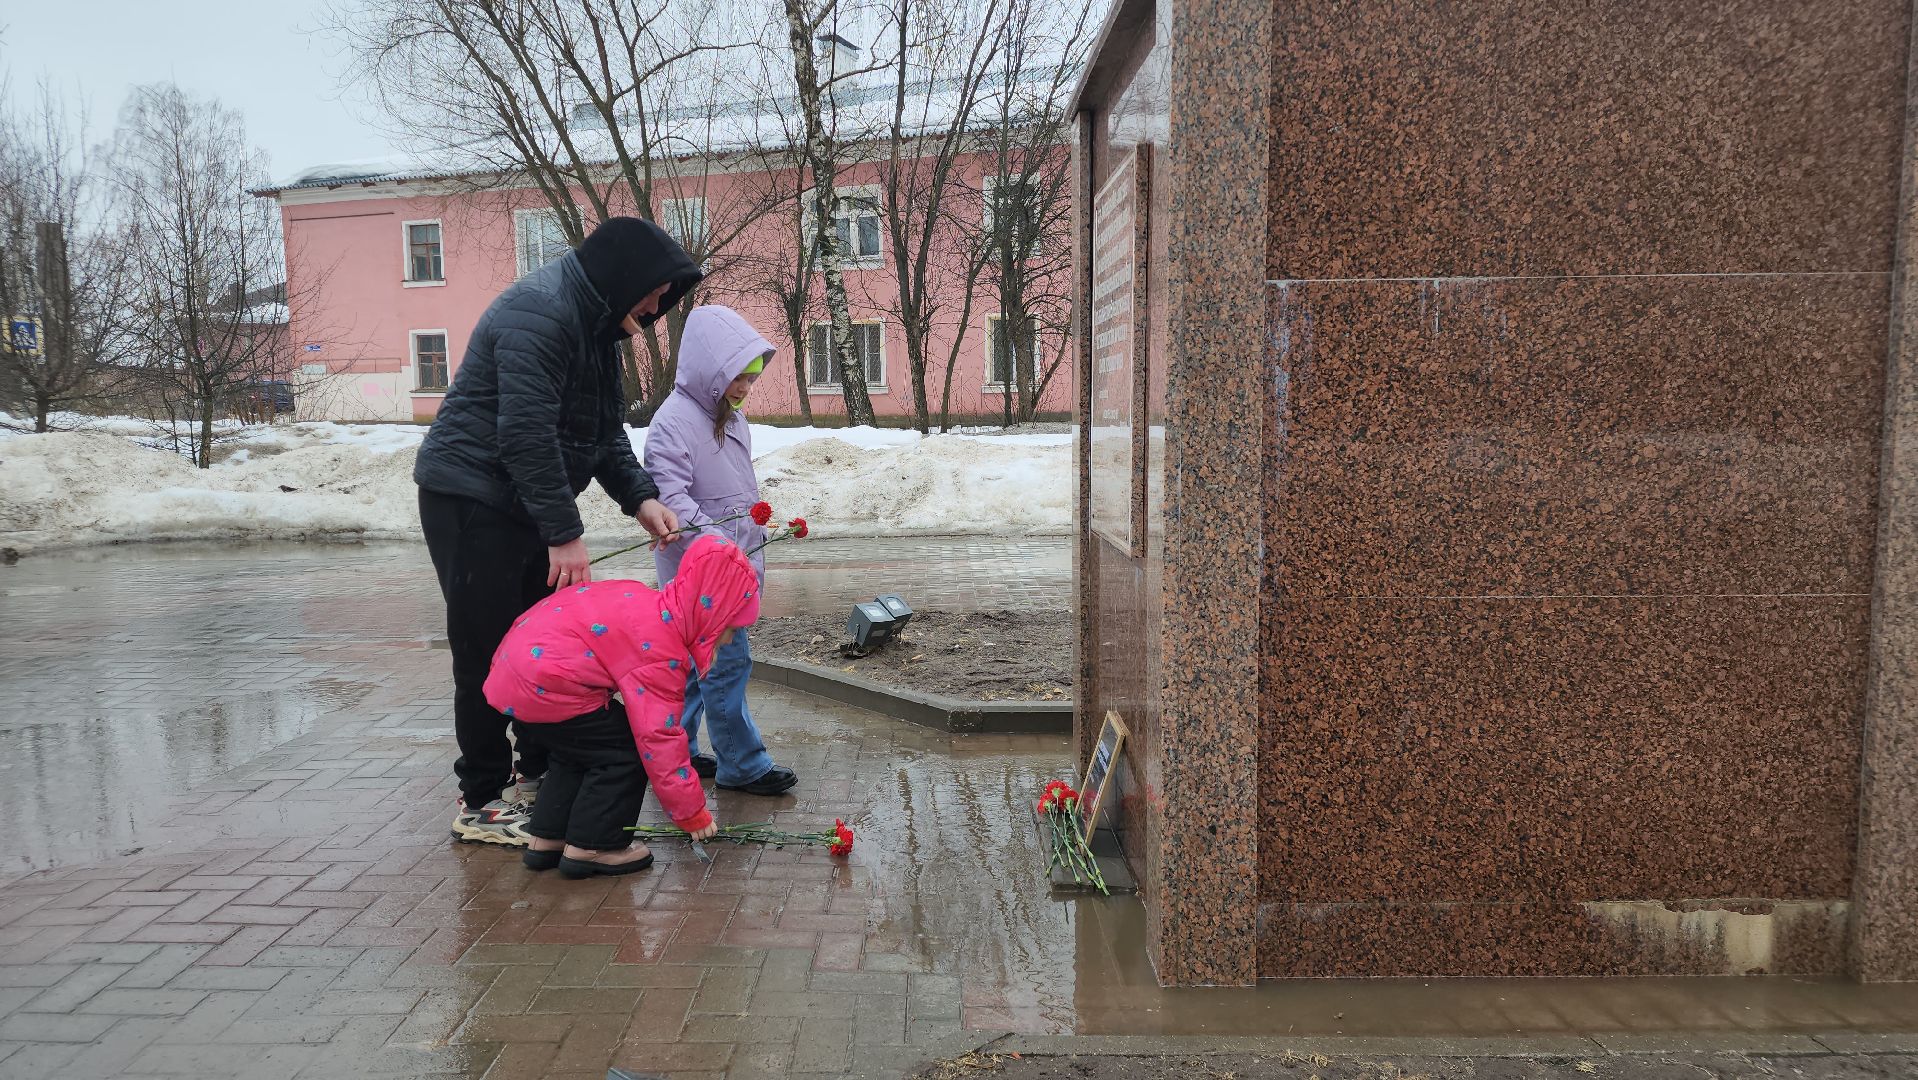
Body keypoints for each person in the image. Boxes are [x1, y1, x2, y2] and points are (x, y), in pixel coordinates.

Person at [415, 217, 700, 847]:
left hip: (520, 501)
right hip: (470, 497)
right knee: (487, 649)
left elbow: (601, 434)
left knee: (541, 643)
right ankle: (482, 799)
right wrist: (564, 532)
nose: (656, 309)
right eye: (654, 294)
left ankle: (540, 767)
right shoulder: (538, 314)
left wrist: (641, 499)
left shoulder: (595, 328)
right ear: (624, 277)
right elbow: (524, 434)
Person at [483, 536, 758, 876]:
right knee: (625, 750)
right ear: (710, 614)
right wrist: (691, 812)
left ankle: (549, 838)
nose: (730, 638)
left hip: (515, 674)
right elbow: (658, 737)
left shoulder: (642, 599)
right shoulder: (662, 647)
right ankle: (594, 845)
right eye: (730, 628)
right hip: (549, 684)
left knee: (577, 750)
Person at [642, 306, 797, 796]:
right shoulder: (673, 423)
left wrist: (751, 526)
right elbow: (671, 497)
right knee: (727, 668)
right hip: (703, 576)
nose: (745, 388)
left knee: (690, 669)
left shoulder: (730, 419)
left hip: (729, 566)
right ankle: (743, 764)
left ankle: (678, 751)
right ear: (709, 369)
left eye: (751, 379)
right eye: (737, 378)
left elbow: (731, 486)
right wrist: (719, 541)